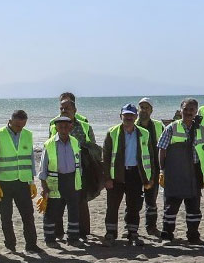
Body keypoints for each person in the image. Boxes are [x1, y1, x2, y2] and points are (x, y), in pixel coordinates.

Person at [156, 98, 204, 243]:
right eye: (185, 109)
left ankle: (193, 236)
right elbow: (162, 149)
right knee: (170, 207)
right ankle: (167, 236)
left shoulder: (202, 130)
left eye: (191, 110)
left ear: (196, 112)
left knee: (194, 208)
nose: (188, 112)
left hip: (194, 173)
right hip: (175, 172)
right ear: (180, 110)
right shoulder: (172, 128)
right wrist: (162, 170)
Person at [101, 105, 155, 246]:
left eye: (131, 115)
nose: (129, 118)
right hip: (116, 176)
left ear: (136, 117)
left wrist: (149, 178)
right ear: (121, 116)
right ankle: (110, 234)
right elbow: (105, 157)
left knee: (134, 206)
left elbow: (150, 156)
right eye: (126, 115)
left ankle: (133, 233)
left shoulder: (144, 133)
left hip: (135, 175)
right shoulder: (112, 132)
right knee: (112, 206)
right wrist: (107, 178)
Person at [0, 110, 41, 253]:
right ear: (10, 121)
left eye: (22, 125)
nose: (20, 128)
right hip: (3, 182)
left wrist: (32, 181)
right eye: (17, 125)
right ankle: (10, 245)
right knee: (6, 216)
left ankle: (31, 245)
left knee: (28, 215)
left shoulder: (27, 135)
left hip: (23, 182)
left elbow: (30, 159)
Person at [53, 97, 97, 239]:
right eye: (61, 108)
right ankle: (58, 233)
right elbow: (49, 146)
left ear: (75, 110)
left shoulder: (84, 126)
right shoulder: (53, 125)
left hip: (80, 169)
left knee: (81, 201)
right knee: (58, 201)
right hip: (59, 169)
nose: (64, 111)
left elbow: (94, 147)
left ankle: (83, 232)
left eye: (67, 108)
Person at [39, 116, 84, 248]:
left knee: (74, 210)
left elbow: (79, 163)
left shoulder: (75, 142)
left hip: (72, 180)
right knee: (52, 210)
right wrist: (44, 186)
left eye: (66, 126)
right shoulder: (49, 144)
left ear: (70, 127)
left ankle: (73, 238)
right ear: (56, 128)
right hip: (55, 181)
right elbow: (42, 168)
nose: (63, 129)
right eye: (60, 126)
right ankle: (49, 238)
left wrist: (78, 179)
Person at [136, 98, 164, 235]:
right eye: (141, 107)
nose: (144, 110)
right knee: (133, 201)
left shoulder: (159, 126)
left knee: (151, 201)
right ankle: (131, 228)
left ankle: (151, 228)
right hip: (135, 169)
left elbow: (165, 146)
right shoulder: (131, 125)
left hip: (154, 169)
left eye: (146, 107)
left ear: (151, 110)